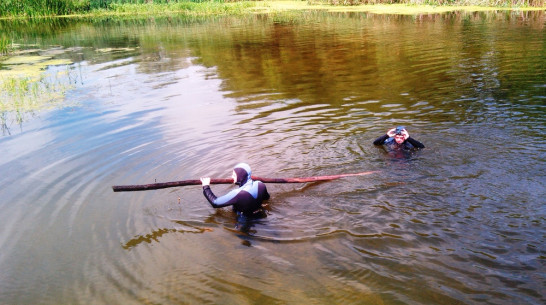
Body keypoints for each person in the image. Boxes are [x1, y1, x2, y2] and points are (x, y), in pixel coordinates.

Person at [200, 163, 270, 217]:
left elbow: (215, 203)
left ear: (240, 176)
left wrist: (206, 186)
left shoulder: (238, 194)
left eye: (234, 175)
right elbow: (267, 198)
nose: (231, 177)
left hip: (245, 220)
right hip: (260, 214)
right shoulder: (260, 184)